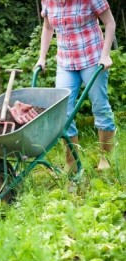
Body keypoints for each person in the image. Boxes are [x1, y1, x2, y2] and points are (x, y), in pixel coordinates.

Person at [35, 0, 116, 171]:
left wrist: (106, 54)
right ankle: (72, 162)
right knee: (63, 111)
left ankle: (105, 158)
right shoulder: (48, 1)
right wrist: (42, 57)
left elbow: (109, 23)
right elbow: (48, 28)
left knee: (100, 106)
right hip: (66, 62)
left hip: (93, 59)